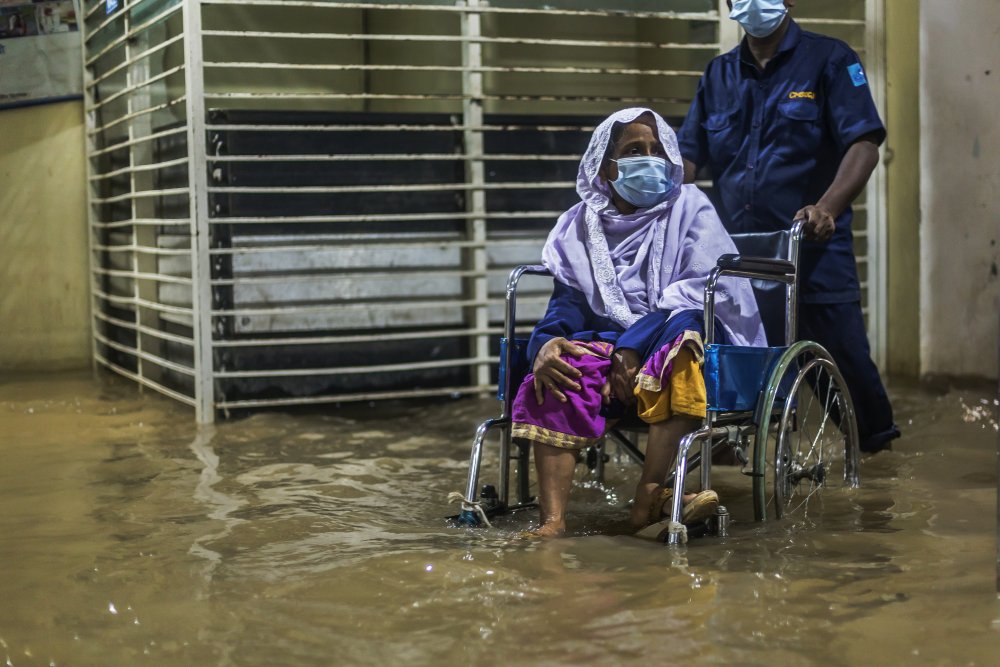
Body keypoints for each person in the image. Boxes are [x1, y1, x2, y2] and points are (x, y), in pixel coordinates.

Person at [510, 107, 766, 538]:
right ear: (605, 167)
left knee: (680, 354)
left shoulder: (690, 207)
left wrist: (631, 348)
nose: (649, 159)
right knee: (559, 371)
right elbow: (567, 306)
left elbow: (699, 295)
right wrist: (545, 345)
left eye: (656, 149)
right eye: (633, 151)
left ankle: (648, 494)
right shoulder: (577, 226)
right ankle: (552, 522)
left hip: (682, 330)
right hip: (609, 342)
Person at [677, 0, 900, 454]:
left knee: (850, 382)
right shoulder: (717, 75)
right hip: (737, 262)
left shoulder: (831, 59)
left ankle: (879, 484)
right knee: (731, 391)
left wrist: (826, 207)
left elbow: (864, 143)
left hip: (812, 254)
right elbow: (688, 157)